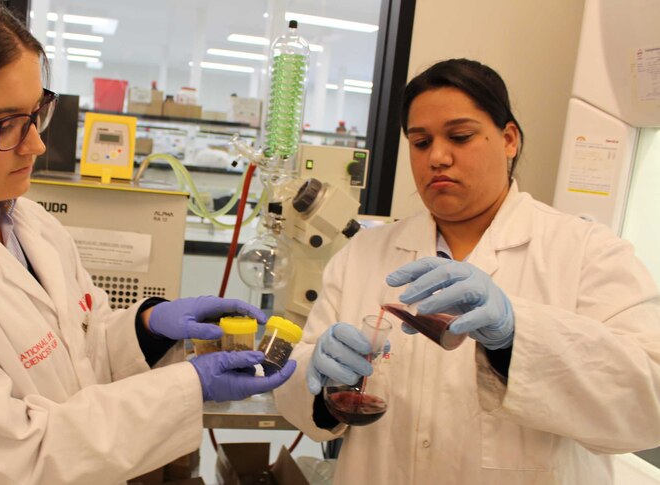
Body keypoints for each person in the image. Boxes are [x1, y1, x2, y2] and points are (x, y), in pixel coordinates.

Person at [0, 1, 295, 483]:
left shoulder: (27, 223)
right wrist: (189, 387)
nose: (35, 145)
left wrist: (147, 329)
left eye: (36, 113)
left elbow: (78, 350)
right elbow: (18, 460)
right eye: (7, 124)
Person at [274, 58, 660, 484]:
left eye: (460, 136)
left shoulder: (588, 252)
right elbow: (297, 393)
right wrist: (322, 381)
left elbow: (648, 402)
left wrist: (519, 339)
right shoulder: (364, 253)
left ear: (509, 139)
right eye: (420, 143)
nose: (437, 157)